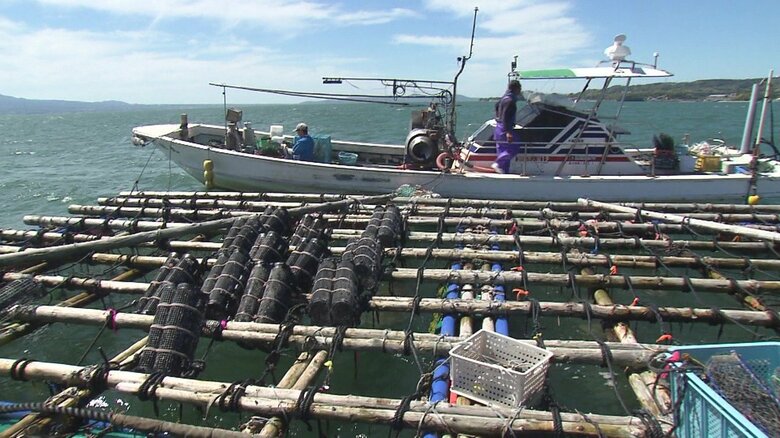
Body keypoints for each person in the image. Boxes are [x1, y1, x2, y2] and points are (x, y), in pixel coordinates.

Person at [492, 80, 522, 174]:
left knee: (502, 150)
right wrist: (508, 132)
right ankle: (498, 163)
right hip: (504, 128)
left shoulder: (504, 98)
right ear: (516, 89)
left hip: (499, 127)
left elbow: (497, 106)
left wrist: (498, 116)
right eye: (519, 89)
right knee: (515, 146)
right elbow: (505, 116)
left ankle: (503, 171)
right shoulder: (510, 101)